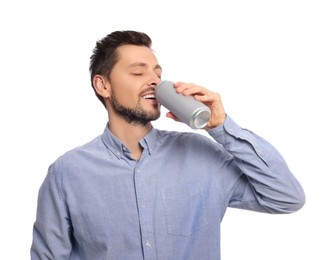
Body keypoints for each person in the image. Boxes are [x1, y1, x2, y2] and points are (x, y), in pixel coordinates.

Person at [31, 30, 305, 260]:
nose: (154, 80)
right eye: (138, 72)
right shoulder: (67, 173)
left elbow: (286, 198)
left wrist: (220, 127)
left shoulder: (203, 156)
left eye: (157, 73)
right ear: (103, 86)